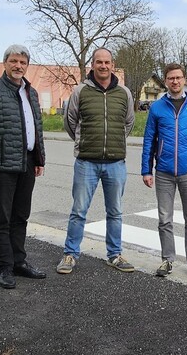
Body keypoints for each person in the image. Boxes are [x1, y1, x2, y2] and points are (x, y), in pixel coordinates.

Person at [0, 44, 47, 289]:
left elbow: (36, 128)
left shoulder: (30, 93)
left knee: (21, 216)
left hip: (26, 163)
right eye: (14, 61)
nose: (18, 66)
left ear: (27, 66)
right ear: (5, 63)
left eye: (23, 63)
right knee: (2, 218)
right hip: (2, 166)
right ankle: (4, 266)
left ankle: (19, 262)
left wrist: (38, 159)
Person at [56, 47, 136, 274]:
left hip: (115, 163)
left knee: (115, 212)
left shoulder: (124, 93)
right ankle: (70, 254)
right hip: (86, 163)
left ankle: (115, 254)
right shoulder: (80, 91)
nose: (103, 66)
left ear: (113, 65)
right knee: (79, 211)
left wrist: (113, 142)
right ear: (93, 64)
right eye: (98, 62)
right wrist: (86, 141)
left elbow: (128, 123)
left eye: (107, 62)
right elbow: (70, 122)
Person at [141, 63, 187, 280]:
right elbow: (148, 140)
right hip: (163, 172)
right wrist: (146, 170)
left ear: (184, 80)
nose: (175, 81)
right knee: (164, 219)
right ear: (166, 81)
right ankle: (167, 259)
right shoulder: (157, 108)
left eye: (178, 78)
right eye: (171, 78)